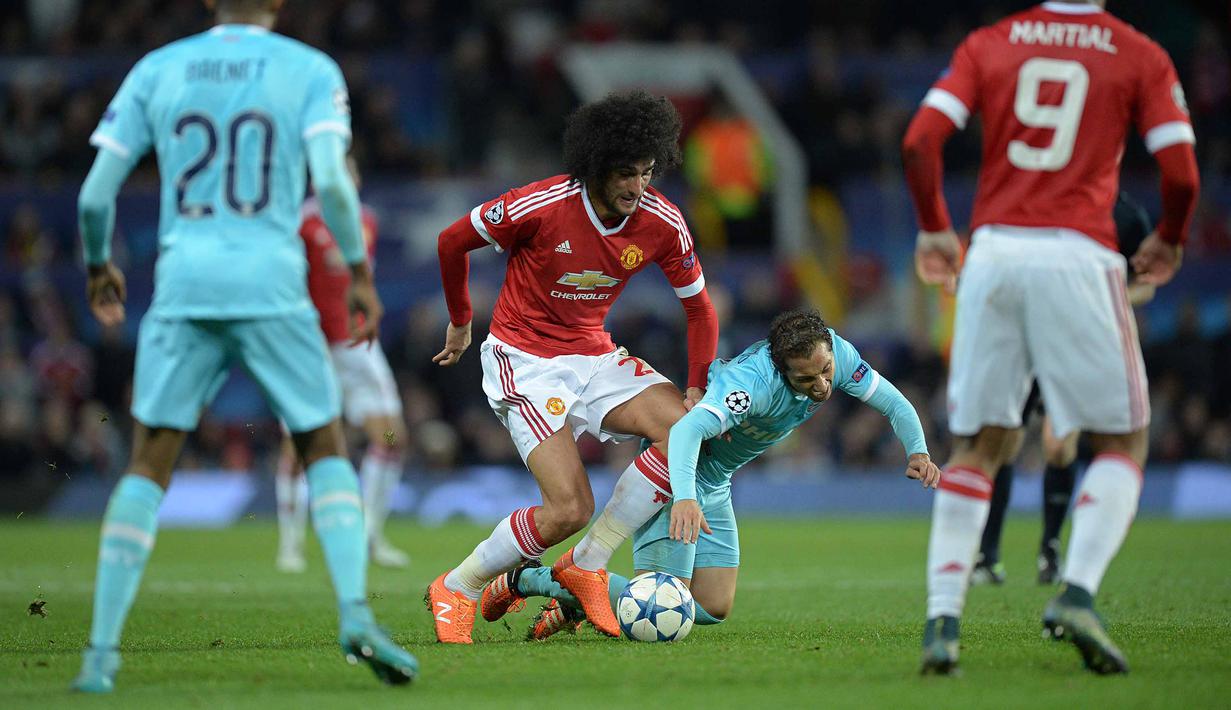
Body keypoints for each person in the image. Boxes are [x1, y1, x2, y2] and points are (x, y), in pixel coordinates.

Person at [71, 0, 417, 692]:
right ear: (279, 3)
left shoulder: (156, 68)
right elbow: (332, 187)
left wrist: (96, 265)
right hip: (272, 284)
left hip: (185, 282)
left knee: (149, 462)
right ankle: (354, 613)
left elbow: (92, 197)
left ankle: (101, 655)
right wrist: (356, 272)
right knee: (323, 445)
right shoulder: (310, 70)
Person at [902, 0, 1199, 675]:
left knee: (979, 445)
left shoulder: (989, 43)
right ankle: (1075, 592)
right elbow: (1181, 173)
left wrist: (933, 226)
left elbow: (918, 142)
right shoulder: (1138, 53)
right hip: (1077, 253)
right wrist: (1170, 239)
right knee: (1122, 440)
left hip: (994, 254)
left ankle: (942, 622)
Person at [427, 90, 719, 643]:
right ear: (594, 166)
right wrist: (462, 320)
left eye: (647, 172)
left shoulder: (662, 221)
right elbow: (451, 241)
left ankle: (585, 565)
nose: (637, 187)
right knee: (568, 507)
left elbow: (700, 310)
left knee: (683, 430)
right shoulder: (539, 205)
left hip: (592, 353)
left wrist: (698, 386)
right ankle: (459, 585)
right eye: (625, 174)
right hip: (525, 360)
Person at [479, 308, 941, 639]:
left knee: (712, 609)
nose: (821, 387)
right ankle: (529, 579)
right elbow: (683, 433)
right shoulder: (746, 388)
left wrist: (917, 451)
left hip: (717, 481)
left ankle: (571, 600)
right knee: (663, 604)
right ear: (781, 372)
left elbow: (893, 401)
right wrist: (683, 495)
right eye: (806, 381)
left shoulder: (831, 351)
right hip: (679, 474)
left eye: (825, 372)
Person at [971, 192, 1158, 586]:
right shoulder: (1049, 199)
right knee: (1003, 442)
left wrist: (1107, 299)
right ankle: (988, 556)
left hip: (1075, 342)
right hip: (1026, 341)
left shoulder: (1127, 218)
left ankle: (1050, 549)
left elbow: (1147, 284)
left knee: (1059, 446)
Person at [275, 156, 410, 573]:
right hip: (313, 347)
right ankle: (291, 545)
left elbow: (361, 281)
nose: (345, 179)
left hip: (358, 346)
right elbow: (285, 282)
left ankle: (369, 536)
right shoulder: (301, 223)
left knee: (391, 437)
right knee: (301, 443)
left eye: (350, 171)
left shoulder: (365, 220)